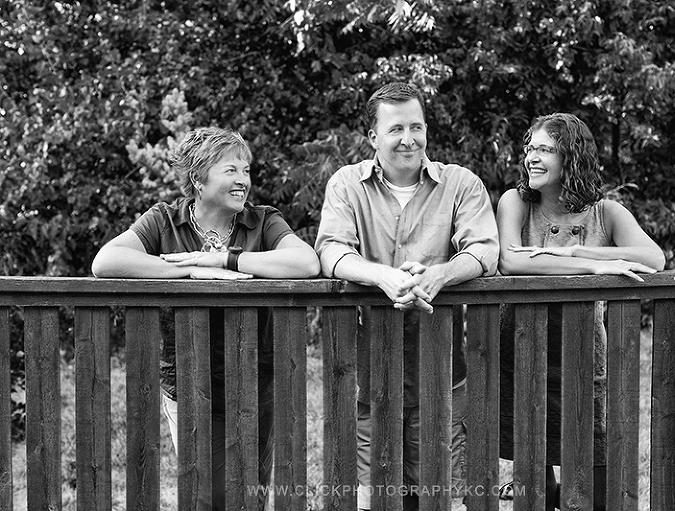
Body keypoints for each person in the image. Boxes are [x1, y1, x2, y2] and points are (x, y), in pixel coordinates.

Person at [91, 127, 321, 510]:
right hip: (188, 383)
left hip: (256, 381)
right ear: (198, 178)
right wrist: (189, 271)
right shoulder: (165, 221)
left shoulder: (263, 221)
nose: (243, 180)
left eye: (246, 171)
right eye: (231, 170)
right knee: (208, 493)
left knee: (252, 491)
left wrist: (225, 259)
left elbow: (306, 262)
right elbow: (107, 261)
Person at [315, 82, 499, 510]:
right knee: (373, 494)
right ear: (373, 137)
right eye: (396, 128)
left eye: (416, 127)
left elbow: (485, 250)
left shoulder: (461, 183)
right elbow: (331, 251)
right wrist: (382, 277)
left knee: (438, 494)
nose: (408, 139)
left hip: (444, 370)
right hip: (370, 373)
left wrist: (439, 275)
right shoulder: (347, 184)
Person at [495, 113, 665, 510]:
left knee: (595, 485)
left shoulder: (606, 213)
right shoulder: (516, 202)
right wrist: (592, 266)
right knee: (535, 480)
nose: (531, 157)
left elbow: (653, 258)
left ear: (570, 157)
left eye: (544, 150)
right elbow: (511, 260)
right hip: (521, 348)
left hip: (584, 355)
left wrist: (574, 250)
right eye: (529, 148)